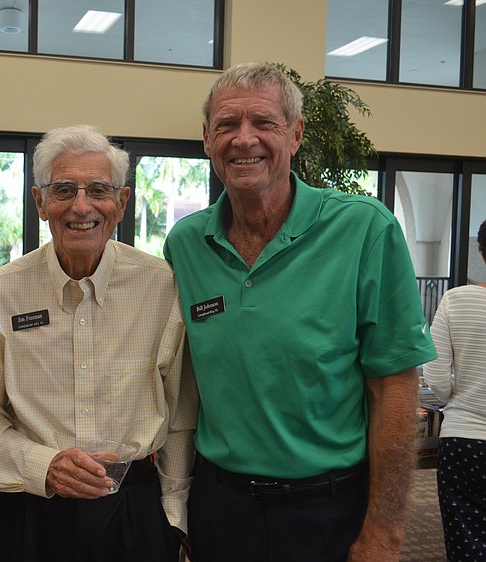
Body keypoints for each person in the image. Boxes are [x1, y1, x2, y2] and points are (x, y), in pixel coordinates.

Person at [163, 62, 437, 561]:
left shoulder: (363, 230)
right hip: (221, 510)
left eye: (263, 122)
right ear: (206, 139)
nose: (244, 139)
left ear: (296, 134)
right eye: (227, 125)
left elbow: (395, 386)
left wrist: (385, 532)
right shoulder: (186, 244)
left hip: (330, 512)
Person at [0, 124, 198, 562]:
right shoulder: (0, 292)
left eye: (98, 190)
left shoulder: (161, 286)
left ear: (121, 203)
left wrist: (173, 514)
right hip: (30, 510)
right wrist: (41, 466)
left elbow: (180, 412)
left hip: (134, 512)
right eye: (63, 189)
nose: (81, 206)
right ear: (40, 202)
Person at [423, 219, 486, 562]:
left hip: (464, 441)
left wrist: (454, 401)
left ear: (481, 251)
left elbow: (435, 373)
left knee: (465, 538)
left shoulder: (456, 300)